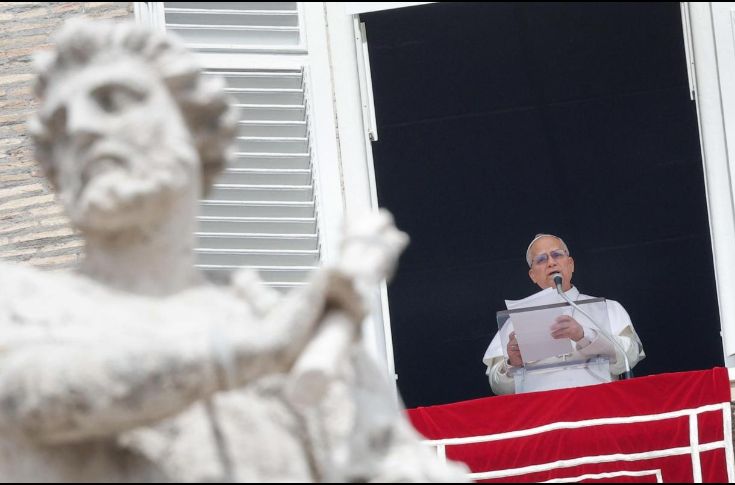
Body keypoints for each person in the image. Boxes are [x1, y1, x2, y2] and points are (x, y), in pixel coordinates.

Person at [0, 18, 467, 482]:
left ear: (195, 131)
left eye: (115, 101)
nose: (80, 128)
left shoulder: (308, 342)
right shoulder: (20, 303)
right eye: (59, 125)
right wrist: (256, 351)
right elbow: (29, 392)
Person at [483, 234, 645, 395]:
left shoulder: (607, 307)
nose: (551, 263)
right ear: (532, 275)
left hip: (597, 405)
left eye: (557, 255)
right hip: (543, 412)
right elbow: (500, 389)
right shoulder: (514, 322)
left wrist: (585, 335)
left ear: (571, 264)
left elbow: (628, 358)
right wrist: (513, 364)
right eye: (541, 259)